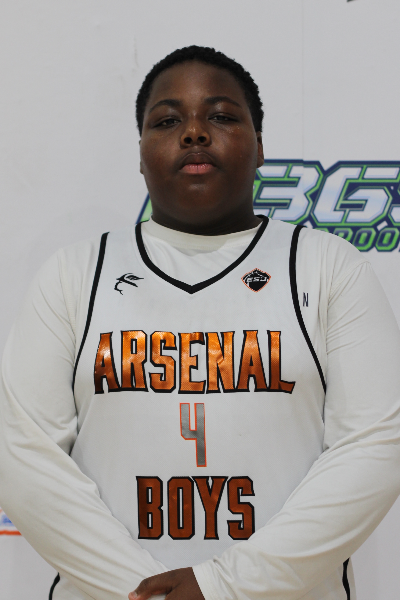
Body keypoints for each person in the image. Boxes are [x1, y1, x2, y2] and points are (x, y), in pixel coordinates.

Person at [0, 45, 400, 600]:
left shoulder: (328, 267)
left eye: (221, 116)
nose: (194, 132)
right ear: (141, 154)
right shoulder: (74, 275)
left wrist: (224, 585)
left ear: (260, 147)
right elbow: (25, 457)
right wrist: (146, 593)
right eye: (167, 121)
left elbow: (374, 446)